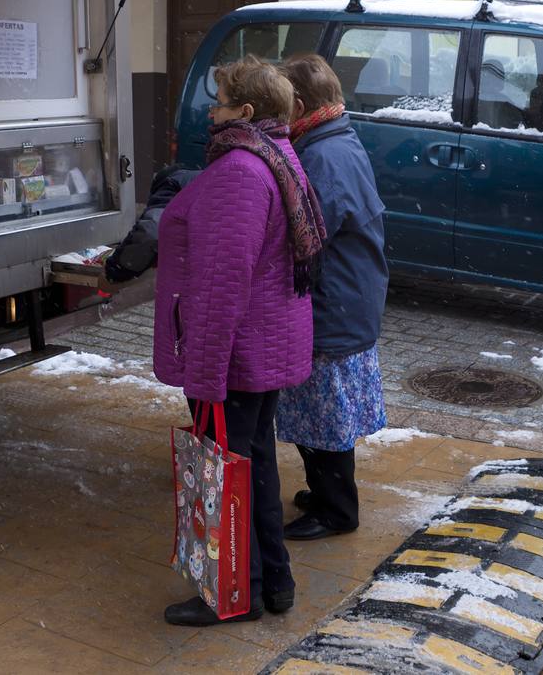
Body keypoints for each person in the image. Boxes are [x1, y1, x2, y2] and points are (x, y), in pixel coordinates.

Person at [152, 56, 326, 626]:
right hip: (263, 346)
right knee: (254, 468)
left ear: (246, 111)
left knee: (228, 469)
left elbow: (223, 282)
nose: (212, 110)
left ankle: (234, 593)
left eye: (221, 100)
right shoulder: (280, 156)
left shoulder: (239, 172)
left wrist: (205, 372)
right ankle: (274, 582)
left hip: (235, 352)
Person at [275, 54, 390, 542]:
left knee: (325, 416)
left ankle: (337, 510)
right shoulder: (335, 137)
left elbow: (304, 236)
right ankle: (324, 494)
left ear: (298, 104)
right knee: (320, 412)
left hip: (333, 303)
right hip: (347, 296)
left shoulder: (322, 155)